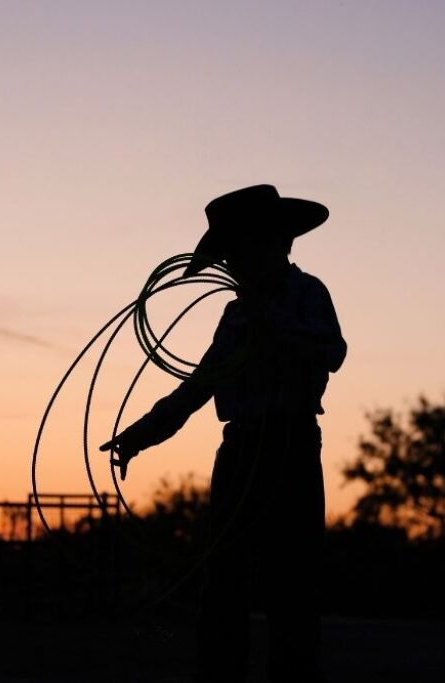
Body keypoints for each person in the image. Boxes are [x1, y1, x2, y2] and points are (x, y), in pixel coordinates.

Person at [100, 184, 346, 683]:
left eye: (237, 251)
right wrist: (141, 435)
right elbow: (201, 386)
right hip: (240, 450)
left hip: (293, 446)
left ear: (276, 243)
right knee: (224, 583)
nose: (230, 264)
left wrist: (268, 317)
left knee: (293, 585)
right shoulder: (234, 314)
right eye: (229, 254)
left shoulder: (308, 293)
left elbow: (331, 353)